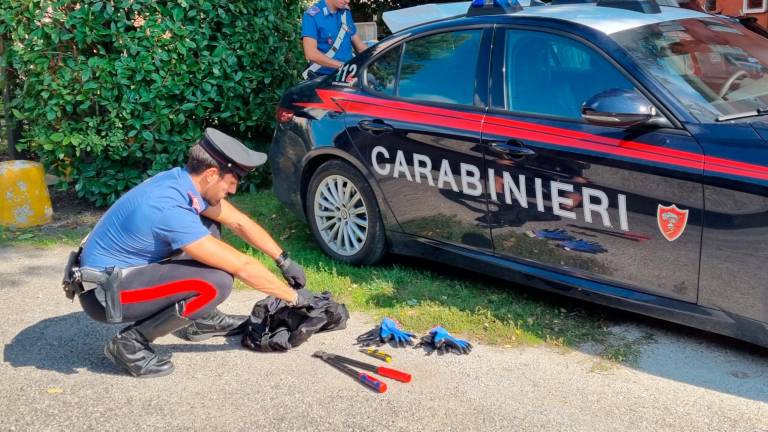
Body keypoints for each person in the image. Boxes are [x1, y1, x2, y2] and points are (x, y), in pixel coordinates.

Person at [66, 128, 314, 378]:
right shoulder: (169, 208)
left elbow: (238, 222)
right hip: (104, 296)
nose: (235, 189)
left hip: (118, 275)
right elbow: (242, 266)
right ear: (211, 174)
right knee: (215, 283)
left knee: (210, 225)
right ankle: (129, 344)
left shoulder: (181, 182)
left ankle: (201, 319)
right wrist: (294, 298)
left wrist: (283, 259)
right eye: (233, 179)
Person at [301, 0, 368, 79]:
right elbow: (311, 54)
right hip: (324, 79)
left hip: (347, 76)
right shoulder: (312, 15)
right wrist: (343, 67)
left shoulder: (345, 13)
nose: (348, 1)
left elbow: (360, 47)